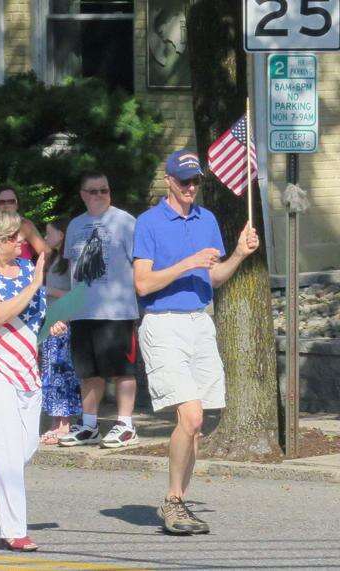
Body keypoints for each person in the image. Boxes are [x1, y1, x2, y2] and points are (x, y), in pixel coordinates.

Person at [133, 149, 259, 535]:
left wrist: (237, 253)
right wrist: (187, 263)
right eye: (184, 181)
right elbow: (143, 283)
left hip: (200, 322)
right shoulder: (149, 222)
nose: (191, 187)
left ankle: (179, 502)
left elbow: (215, 277)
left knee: (199, 421)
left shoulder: (208, 219)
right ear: (169, 180)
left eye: (196, 181)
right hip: (163, 323)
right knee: (189, 416)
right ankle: (172, 500)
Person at [0, 209, 66, 552]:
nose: (21, 240)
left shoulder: (23, 270)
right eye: (12, 236)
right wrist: (35, 284)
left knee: (25, 449)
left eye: (19, 234)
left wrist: (51, 322)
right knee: (5, 453)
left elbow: (34, 315)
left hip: (25, 370)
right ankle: (14, 531)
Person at [59, 172, 141, 449]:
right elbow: (70, 268)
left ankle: (125, 425)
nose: (98, 196)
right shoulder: (75, 225)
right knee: (87, 372)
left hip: (117, 310)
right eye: (92, 191)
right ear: (83, 194)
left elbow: (139, 263)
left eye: (103, 190)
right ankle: (89, 425)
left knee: (122, 370)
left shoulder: (126, 222)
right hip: (83, 310)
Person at [39, 218, 82, 445]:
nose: (46, 238)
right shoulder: (54, 259)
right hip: (49, 323)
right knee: (50, 374)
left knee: (62, 374)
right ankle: (55, 421)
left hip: (62, 324)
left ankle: (65, 422)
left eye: (49, 233)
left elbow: (77, 294)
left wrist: (49, 290)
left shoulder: (70, 261)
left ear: (62, 235)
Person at [0, 188, 50, 260]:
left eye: (11, 201)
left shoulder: (24, 225)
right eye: (2, 202)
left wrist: (39, 270)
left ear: (17, 205)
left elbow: (46, 253)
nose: (6, 205)